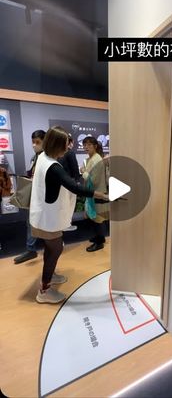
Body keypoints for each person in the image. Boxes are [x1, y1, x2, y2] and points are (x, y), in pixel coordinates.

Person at [30, 126, 107, 304]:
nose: (69, 146)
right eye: (67, 143)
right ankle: (44, 290)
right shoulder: (53, 166)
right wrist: (103, 195)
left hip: (43, 214)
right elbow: (75, 187)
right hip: (47, 218)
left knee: (52, 249)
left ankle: (51, 276)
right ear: (59, 145)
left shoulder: (43, 156)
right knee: (55, 249)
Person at [14, 130, 46, 264]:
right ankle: (31, 249)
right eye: (33, 142)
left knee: (46, 224)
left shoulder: (47, 157)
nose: (34, 145)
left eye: (37, 142)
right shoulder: (35, 157)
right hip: (34, 195)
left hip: (44, 197)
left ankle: (53, 247)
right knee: (31, 221)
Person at [81, 136, 109, 252]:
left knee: (98, 219)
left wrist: (83, 172)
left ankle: (100, 242)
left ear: (95, 146)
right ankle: (98, 238)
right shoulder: (91, 158)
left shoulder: (97, 159)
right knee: (94, 217)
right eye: (85, 145)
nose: (86, 147)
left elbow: (93, 180)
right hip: (92, 193)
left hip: (98, 193)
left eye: (89, 145)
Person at [58, 133, 80, 231]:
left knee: (63, 204)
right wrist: (77, 181)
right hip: (70, 182)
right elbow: (74, 167)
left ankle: (62, 224)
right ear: (70, 142)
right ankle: (67, 224)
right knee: (70, 204)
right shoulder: (70, 152)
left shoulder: (58, 152)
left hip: (61, 182)